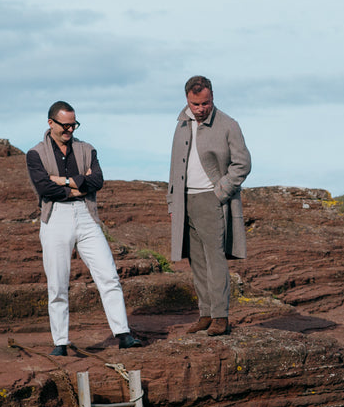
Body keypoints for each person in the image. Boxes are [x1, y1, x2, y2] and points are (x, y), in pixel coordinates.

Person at [26, 101, 143, 355]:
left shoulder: (87, 149)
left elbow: (97, 180)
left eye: (73, 124)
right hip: (55, 216)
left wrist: (65, 181)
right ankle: (60, 342)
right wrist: (79, 185)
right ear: (50, 123)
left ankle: (123, 334)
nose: (69, 129)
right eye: (64, 125)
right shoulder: (35, 154)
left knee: (108, 274)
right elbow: (45, 189)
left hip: (86, 215)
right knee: (57, 283)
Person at [168, 75, 251, 336]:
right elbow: (175, 166)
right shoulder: (181, 123)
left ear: (212, 97)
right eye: (195, 104)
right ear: (187, 101)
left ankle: (220, 317)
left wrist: (221, 193)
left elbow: (243, 164)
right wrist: (172, 201)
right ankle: (205, 313)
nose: (201, 109)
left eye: (205, 103)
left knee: (215, 260)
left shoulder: (228, 125)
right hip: (185, 201)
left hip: (211, 198)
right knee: (197, 262)